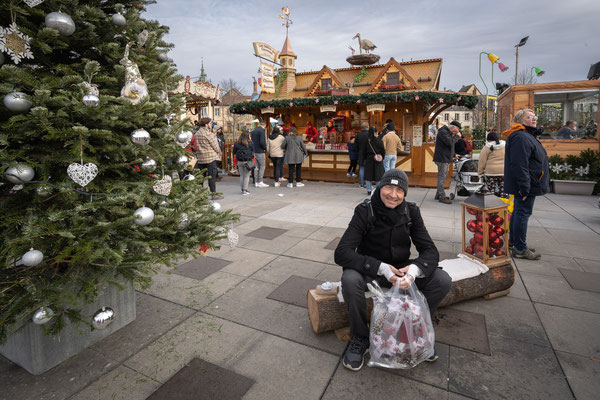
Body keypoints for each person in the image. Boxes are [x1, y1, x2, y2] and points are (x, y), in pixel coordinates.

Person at [334, 169, 451, 371]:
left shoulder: (411, 212)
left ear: (405, 193)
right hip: (370, 270)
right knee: (350, 280)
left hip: (400, 271)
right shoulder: (365, 211)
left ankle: (415, 329)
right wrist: (380, 268)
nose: (393, 195)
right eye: (388, 187)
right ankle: (360, 337)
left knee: (442, 280)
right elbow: (342, 252)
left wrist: (414, 271)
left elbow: (430, 250)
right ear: (380, 187)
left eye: (399, 190)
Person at [503, 108, 550, 260]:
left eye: (534, 116)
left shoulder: (526, 135)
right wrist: (524, 187)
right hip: (526, 185)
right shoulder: (521, 137)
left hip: (529, 183)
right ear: (521, 121)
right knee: (522, 213)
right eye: (529, 117)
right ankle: (520, 249)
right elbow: (519, 164)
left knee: (518, 212)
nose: (534, 119)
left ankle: (514, 243)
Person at [194, 117, 222, 199]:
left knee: (201, 178)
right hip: (210, 158)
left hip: (200, 159)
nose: (211, 125)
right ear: (206, 125)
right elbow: (216, 147)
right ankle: (213, 194)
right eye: (210, 123)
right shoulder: (209, 134)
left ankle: (200, 195)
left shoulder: (196, 134)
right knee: (211, 177)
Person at [433, 121, 461, 204]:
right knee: (442, 177)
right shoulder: (443, 132)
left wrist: (454, 154)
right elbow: (450, 142)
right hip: (442, 158)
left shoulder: (446, 132)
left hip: (444, 158)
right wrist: (456, 136)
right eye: (456, 131)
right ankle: (442, 196)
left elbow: (449, 146)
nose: (455, 133)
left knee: (442, 177)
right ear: (452, 127)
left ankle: (438, 194)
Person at [477, 131, 506, 197]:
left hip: (491, 173)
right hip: (504, 171)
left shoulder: (486, 147)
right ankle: (502, 204)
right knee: (503, 190)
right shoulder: (505, 145)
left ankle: (492, 205)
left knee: (490, 192)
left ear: (488, 139)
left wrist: (480, 173)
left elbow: (482, 161)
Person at [363, 126, 385, 196]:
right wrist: (381, 157)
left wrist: (366, 158)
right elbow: (383, 150)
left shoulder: (367, 141)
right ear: (376, 132)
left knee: (368, 176)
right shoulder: (379, 140)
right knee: (378, 175)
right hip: (377, 159)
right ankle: (378, 190)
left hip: (369, 159)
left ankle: (369, 190)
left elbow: (364, 151)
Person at [232, 131, 254, 195]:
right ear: (247, 137)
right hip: (247, 162)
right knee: (247, 176)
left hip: (239, 161)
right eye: (250, 136)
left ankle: (242, 189)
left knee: (242, 175)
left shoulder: (236, 144)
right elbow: (253, 152)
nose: (250, 137)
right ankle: (245, 190)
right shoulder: (250, 143)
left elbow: (234, 152)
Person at [250, 120, 269, 187]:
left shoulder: (253, 131)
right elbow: (262, 142)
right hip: (260, 151)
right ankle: (260, 181)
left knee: (256, 167)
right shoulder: (262, 131)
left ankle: (256, 182)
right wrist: (265, 148)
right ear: (265, 125)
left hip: (254, 151)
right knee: (262, 166)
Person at [355, 122, 370, 188]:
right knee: (368, 169)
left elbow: (355, 146)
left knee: (361, 168)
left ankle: (361, 184)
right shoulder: (370, 134)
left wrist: (358, 151)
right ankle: (368, 184)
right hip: (369, 154)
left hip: (361, 153)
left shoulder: (358, 135)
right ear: (368, 127)